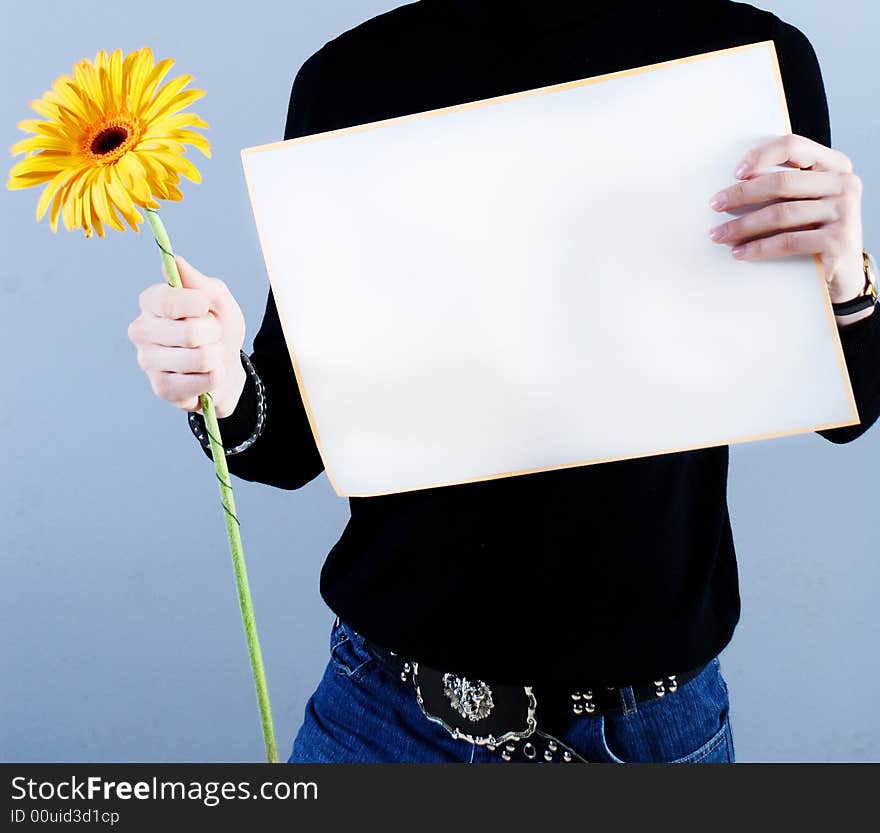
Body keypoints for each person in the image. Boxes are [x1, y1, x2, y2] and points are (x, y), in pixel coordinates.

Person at [127, 0, 880, 763]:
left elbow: (850, 410)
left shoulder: (748, 55)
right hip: (386, 715)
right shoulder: (347, 81)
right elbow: (287, 442)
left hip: (649, 730)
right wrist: (220, 383)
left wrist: (848, 274)